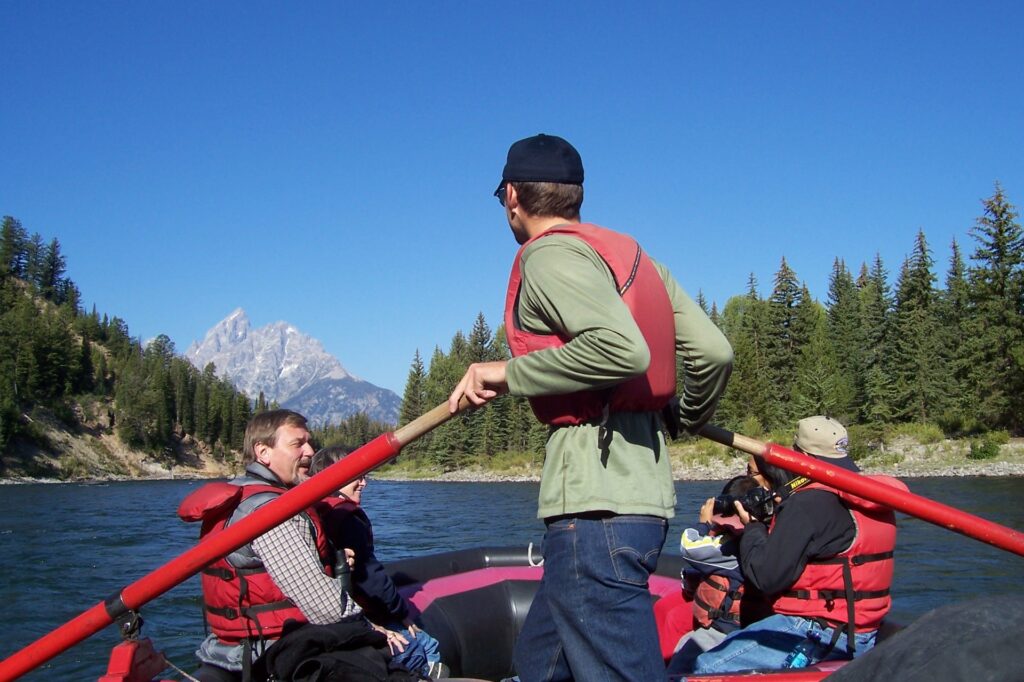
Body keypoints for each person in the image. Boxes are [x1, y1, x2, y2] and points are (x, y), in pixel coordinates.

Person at [447, 133, 733, 681]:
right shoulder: (633, 257)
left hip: (594, 508)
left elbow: (622, 349)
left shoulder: (548, 256)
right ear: (576, 196)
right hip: (638, 501)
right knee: (540, 663)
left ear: (512, 196)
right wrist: (683, 414)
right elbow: (715, 352)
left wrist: (506, 373)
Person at [177, 410, 415, 682]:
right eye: (297, 444)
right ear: (263, 452)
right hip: (273, 652)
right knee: (410, 651)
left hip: (234, 646)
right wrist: (373, 629)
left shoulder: (243, 494)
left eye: (308, 442)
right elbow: (323, 605)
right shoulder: (272, 512)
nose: (310, 451)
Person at [689, 416, 909, 674]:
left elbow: (765, 576)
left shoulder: (809, 502)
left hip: (818, 632)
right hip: (862, 630)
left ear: (800, 454)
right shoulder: (871, 497)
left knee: (706, 668)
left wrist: (753, 527)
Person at [308, 445, 448, 680]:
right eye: (357, 477)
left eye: (364, 476)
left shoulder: (317, 512)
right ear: (335, 477)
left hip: (338, 614)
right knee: (426, 644)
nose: (364, 483)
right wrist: (402, 612)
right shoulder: (348, 519)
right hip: (361, 613)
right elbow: (371, 576)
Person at [665, 475, 762, 676]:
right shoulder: (763, 535)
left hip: (726, 629)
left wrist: (704, 524)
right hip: (749, 623)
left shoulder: (730, 546)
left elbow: (689, 546)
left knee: (683, 656)